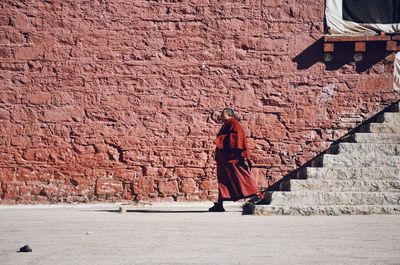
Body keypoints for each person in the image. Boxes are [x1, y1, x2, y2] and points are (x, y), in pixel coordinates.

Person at [209, 108, 263, 212]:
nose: (220, 116)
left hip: (232, 158)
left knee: (242, 177)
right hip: (225, 159)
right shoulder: (228, 123)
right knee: (223, 181)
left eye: (222, 114)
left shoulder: (233, 123)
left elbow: (237, 137)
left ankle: (258, 195)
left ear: (227, 114)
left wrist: (221, 139)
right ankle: (220, 204)